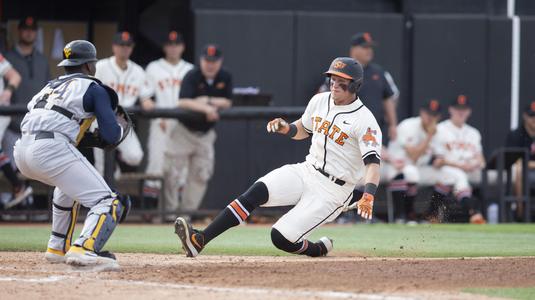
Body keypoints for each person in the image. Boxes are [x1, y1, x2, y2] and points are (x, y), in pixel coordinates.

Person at [174, 57, 382, 257]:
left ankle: (317, 249)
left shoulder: (364, 120)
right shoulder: (320, 101)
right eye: (332, 79)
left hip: (333, 190)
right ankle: (199, 240)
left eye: (341, 82)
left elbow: (372, 164)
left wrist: (369, 194)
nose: (334, 85)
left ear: (355, 85)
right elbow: (303, 130)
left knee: (280, 237)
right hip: (307, 170)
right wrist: (287, 128)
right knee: (256, 192)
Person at [13, 40, 130, 268]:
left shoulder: (48, 87)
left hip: (22, 150)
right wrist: (116, 128)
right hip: (50, 148)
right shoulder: (94, 88)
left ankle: (57, 246)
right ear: (88, 66)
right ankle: (84, 248)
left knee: (68, 190)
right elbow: (111, 135)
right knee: (109, 201)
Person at [164, 44, 232, 218]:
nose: (210, 65)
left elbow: (228, 101)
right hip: (183, 131)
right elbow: (183, 102)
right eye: (207, 61)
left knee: (201, 175)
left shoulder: (225, 76)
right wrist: (206, 109)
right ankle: (168, 214)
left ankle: (185, 216)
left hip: (205, 135)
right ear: (201, 61)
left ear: (220, 62)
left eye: (214, 61)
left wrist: (208, 100)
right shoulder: (192, 75)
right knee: (171, 173)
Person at [319, 32, 399, 143]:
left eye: (370, 47)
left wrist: (393, 124)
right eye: (365, 47)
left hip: (372, 130)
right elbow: (322, 95)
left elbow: (388, 98)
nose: (369, 50)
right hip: (345, 129)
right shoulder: (341, 70)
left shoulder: (379, 72)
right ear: (354, 49)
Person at [143, 31, 193, 204]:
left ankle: (176, 209)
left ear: (182, 47)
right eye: (170, 45)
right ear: (165, 47)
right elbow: (145, 95)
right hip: (161, 121)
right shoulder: (153, 67)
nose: (173, 48)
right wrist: (156, 115)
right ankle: (150, 206)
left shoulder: (189, 69)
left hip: (183, 124)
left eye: (176, 44)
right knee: (156, 162)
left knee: (181, 168)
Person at [94, 31, 154, 173]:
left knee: (135, 156)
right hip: (100, 120)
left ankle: (115, 160)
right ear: (114, 47)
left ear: (132, 48)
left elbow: (145, 96)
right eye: (121, 45)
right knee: (102, 168)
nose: (124, 49)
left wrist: (146, 101)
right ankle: (109, 182)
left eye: (128, 45)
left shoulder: (138, 71)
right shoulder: (101, 66)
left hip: (122, 120)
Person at [382, 99, 446, 223]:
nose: (430, 118)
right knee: (411, 173)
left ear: (438, 117)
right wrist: (429, 137)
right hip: (395, 165)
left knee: (448, 176)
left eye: (434, 115)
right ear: (422, 112)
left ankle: (430, 216)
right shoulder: (409, 125)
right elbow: (413, 155)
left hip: (417, 167)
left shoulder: (438, 131)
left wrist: (440, 160)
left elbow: (440, 156)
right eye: (428, 114)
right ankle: (401, 216)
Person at [4, 17, 51, 166]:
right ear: (19, 31)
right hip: (11, 126)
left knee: (34, 170)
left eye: (32, 30)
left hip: (35, 128)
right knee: (10, 172)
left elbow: (49, 91)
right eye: (25, 29)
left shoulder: (42, 60)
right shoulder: (7, 57)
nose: (29, 33)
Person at [433, 95, 486, 223]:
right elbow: (438, 161)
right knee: (458, 176)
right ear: (451, 110)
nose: (461, 112)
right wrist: (461, 166)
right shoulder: (440, 129)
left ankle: (432, 213)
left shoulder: (474, 133)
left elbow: (481, 159)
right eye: (458, 108)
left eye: (464, 108)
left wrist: (476, 163)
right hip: (447, 168)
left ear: (469, 111)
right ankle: (474, 213)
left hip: (470, 169)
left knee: (471, 175)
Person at [0, 52, 33, 209]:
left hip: (1, 111)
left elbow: (15, 77)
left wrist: (7, 91)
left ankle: (18, 186)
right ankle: (18, 186)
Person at [505, 101, 535, 219]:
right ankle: (521, 214)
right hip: (522, 171)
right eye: (532, 115)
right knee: (518, 172)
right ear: (525, 116)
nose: (534, 119)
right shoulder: (516, 135)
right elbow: (513, 161)